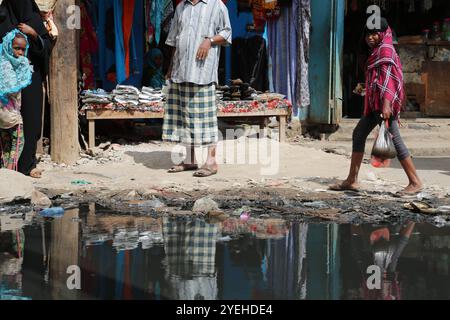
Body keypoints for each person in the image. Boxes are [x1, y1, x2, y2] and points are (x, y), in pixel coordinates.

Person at [330, 18, 422, 195]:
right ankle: (352, 180)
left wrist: (387, 105)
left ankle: (415, 181)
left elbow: (389, 81)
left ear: (383, 34)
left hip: (383, 107)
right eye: (368, 34)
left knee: (395, 139)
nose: (370, 37)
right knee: (359, 133)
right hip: (375, 105)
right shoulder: (377, 51)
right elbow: (378, 79)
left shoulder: (385, 50)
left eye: (374, 34)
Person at [163, 0, 232, 177]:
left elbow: (226, 32)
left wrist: (209, 41)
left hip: (203, 73)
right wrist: (171, 69)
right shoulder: (181, 7)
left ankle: (211, 162)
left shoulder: (217, 5)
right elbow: (174, 40)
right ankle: (190, 160)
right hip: (181, 71)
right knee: (185, 117)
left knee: (206, 118)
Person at [0, 0, 52, 179]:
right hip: (6, 81)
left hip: (30, 79)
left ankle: (27, 165)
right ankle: (6, 163)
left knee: (30, 121)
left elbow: (46, 48)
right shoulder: (2, 18)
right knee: (5, 120)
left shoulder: (34, 21)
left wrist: (34, 35)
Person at [0, 30, 33, 171]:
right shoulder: (6, 66)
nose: (20, 53)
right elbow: (11, 87)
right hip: (10, 114)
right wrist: (25, 67)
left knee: (6, 146)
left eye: (23, 49)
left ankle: (4, 172)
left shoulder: (4, 60)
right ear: (8, 46)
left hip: (4, 115)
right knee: (18, 143)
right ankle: (10, 172)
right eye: (17, 48)